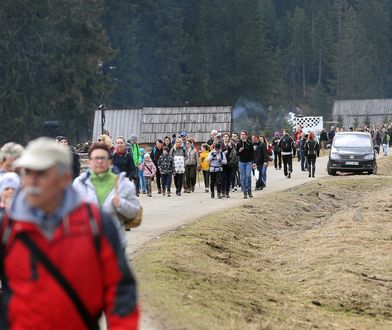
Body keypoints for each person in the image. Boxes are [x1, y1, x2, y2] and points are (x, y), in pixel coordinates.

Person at [2, 137, 139, 329]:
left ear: (64, 178)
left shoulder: (96, 224)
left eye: (41, 173)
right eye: (27, 172)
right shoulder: (8, 226)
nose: (31, 181)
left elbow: (119, 288)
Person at [73, 142, 140, 247]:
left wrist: (121, 204)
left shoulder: (123, 184)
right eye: (96, 158)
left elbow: (134, 214)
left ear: (110, 161)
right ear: (89, 161)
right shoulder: (79, 184)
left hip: (115, 243)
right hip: (88, 243)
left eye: (103, 158)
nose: (99, 161)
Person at [236, 130, 254, 199]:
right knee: (243, 177)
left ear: (246, 135)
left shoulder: (249, 143)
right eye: (241, 134)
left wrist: (254, 162)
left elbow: (252, 153)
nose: (242, 135)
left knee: (248, 176)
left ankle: (249, 190)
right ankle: (245, 192)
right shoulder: (238, 143)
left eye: (243, 134)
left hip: (249, 162)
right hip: (241, 162)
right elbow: (237, 154)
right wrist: (239, 151)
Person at [221, 133, 233, 198]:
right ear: (223, 138)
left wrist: (230, 147)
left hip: (229, 163)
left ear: (229, 138)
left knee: (228, 178)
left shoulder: (231, 144)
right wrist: (223, 152)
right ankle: (222, 191)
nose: (226, 138)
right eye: (224, 137)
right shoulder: (220, 145)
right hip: (222, 163)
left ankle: (227, 192)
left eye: (227, 137)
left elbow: (233, 152)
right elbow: (218, 152)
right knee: (223, 178)